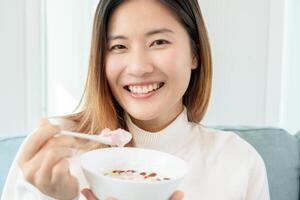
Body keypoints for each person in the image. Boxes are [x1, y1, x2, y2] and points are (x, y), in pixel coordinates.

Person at [1, 0, 270, 199]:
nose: (138, 67)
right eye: (118, 47)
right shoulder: (56, 158)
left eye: (159, 42)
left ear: (195, 53)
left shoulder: (238, 163)